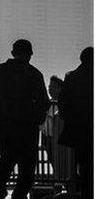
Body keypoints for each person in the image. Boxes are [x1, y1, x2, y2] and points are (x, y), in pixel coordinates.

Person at [0, 39, 49, 199]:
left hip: (5, 128)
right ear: (30, 55)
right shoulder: (34, 74)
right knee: (27, 168)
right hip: (28, 130)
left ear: (13, 53)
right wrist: (37, 119)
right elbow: (44, 102)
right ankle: (19, 195)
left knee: (5, 162)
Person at [58, 47, 93, 199]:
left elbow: (63, 102)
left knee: (83, 165)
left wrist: (70, 119)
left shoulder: (72, 77)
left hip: (78, 130)